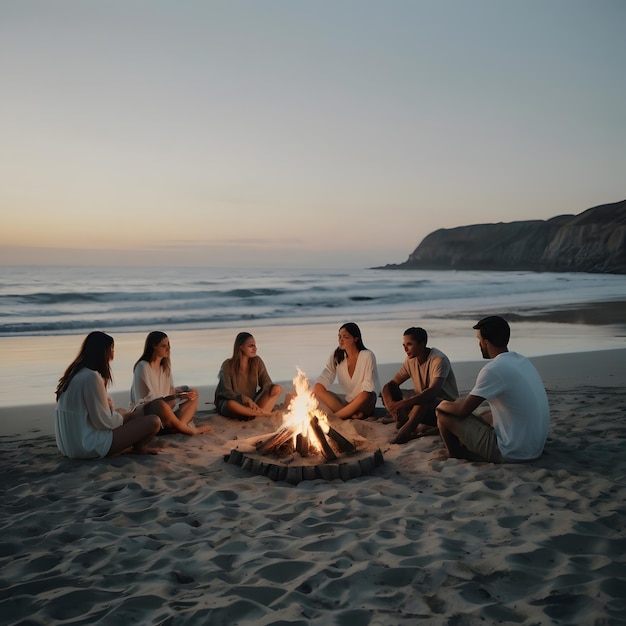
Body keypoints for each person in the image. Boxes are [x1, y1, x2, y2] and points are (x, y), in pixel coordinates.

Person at [436, 315, 550, 463]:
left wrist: (442, 404)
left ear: (486, 342)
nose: (479, 345)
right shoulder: (521, 360)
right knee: (485, 414)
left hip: (512, 452)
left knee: (443, 413)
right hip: (534, 446)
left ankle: (457, 454)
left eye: (479, 340)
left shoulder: (493, 369)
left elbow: (463, 410)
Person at [55, 331, 161, 459]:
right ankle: (139, 447)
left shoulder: (74, 375)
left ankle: (132, 440)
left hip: (69, 446)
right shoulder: (91, 377)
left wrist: (121, 414)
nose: (113, 354)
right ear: (104, 352)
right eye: (112, 349)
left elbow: (95, 416)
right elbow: (103, 422)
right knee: (153, 421)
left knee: (124, 413)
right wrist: (126, 416)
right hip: (88, 446)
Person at [382, 327, 459, 444]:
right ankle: (404, 420)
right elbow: (391, 384)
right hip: (424, 409)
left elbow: (432, 392)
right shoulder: (410, 360)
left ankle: (405, 431)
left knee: (424, 398)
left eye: (409, 344)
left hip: (446, 409)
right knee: (390, 390)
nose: (405, 349)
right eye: (404, 345)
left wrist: (401, 404)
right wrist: (391, 405)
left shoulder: (438, 360)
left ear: (422, 344)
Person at [131, 331, 211, 436]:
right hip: (148, 411)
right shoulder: (143, 366)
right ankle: (189, 430)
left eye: (169, 345)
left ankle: (178, 426)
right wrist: (178, 395)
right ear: (154, 346)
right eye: (164, 346)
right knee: (160, 405)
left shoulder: (165, 368)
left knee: (193, 393)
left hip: (166, 409)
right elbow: (149, 399)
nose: (168, 349)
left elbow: (169, 393)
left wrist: (182, 392)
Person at [313, 322, 380, 420]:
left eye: (346, 337)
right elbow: (327, 373)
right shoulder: (337, 355)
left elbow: (368, 387)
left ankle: (336, 417)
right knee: (318, 391)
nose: (341, 340)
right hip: (348, 402)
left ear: (356, 339)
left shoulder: (367, 356)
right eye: (339, 336)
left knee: (367, 394)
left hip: (364, 403)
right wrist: (319, 387)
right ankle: (350, 415)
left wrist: (351, 405)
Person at [215, 332, 284, 420]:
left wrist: (272, 390)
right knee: (231, 404)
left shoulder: (257, 361)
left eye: (255, 345)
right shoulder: (227, 364)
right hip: (234, 404)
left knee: (276, 389)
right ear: (240, 347)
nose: (255, 348)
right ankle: (264, 414)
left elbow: (267, 384)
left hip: (252, 403)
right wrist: (243, 398)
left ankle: (255, 415)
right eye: (251, 346)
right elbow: (225, 392)